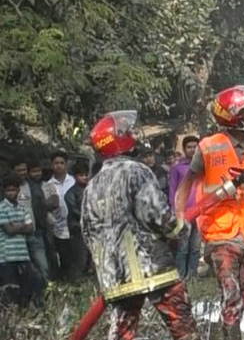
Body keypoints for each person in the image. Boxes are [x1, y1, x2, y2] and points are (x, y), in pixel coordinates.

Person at [83, 110, 198, 340]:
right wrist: (180, 229)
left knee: (122, 333)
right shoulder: (136, 171)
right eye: (128, 131)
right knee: (184, 328)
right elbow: (158, 217)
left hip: (116, 278)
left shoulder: (91, 186)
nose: (134, 135)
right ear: (119, 139)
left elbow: (88, 232)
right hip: (152, 269)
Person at [174, 85, 244, 340]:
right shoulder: (208, 147)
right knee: (231, 292)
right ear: (234, 115)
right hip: (219, 232)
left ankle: (226, 329)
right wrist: (180, 216)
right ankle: (231, 335)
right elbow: (187, 184)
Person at [0, 173, 44, 309]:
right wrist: (21, 226)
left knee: (34, 280)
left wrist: (17, 226)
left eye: (13, 190)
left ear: (18, 190)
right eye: (8, 190)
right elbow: (9, 230)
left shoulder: (22, 208)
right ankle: (13, 317)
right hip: (7, 256)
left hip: (22, 254)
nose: (11, 193)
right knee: (11, 288)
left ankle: (31, 308)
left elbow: (31, 228)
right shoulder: (2, 208)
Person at [168, 135, 202, 278]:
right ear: (184, 149)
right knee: (183, 246)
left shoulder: (202, 166)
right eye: (189, 147)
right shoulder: (177, 168)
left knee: (195, 246)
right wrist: (174, 210)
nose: (192, 150)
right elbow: (172, 189)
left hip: (200, 211)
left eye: (195, 147)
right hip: (184, 211)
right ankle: (181, 275)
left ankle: (192, 274)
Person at [45, 151, 75, 281]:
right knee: (64, 258)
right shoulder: (47, 185)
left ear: (66, 165)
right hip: (58, 227)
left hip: (75, 226)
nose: (59, 166)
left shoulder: (73, 181)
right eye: (56, 163)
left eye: (62, 163)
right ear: (51, 165)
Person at [62, 161, 90, 282]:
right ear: (74, 176)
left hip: (92, 227)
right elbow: (74, 211)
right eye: (81, 175)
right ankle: (76, 281)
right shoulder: (70, 193)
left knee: (92, 256)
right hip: (77, 228)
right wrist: (89, 217)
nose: (84, 177)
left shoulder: (92, 189)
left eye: (86, 174)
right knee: (81, 256)